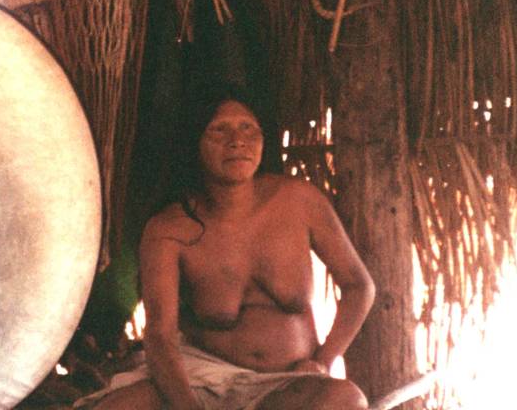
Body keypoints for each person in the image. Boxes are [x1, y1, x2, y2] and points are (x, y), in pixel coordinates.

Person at [90, 87, 375, 410]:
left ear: (263, 139)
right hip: (203, 379)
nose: (236, 141)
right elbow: (160, 337)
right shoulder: (169, 228)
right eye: (219, 129)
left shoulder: (300, 202)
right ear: (195, 144)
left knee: (346, 400)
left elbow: (359, 286)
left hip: (286, 385)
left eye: (247, 128)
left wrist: (323, 360)